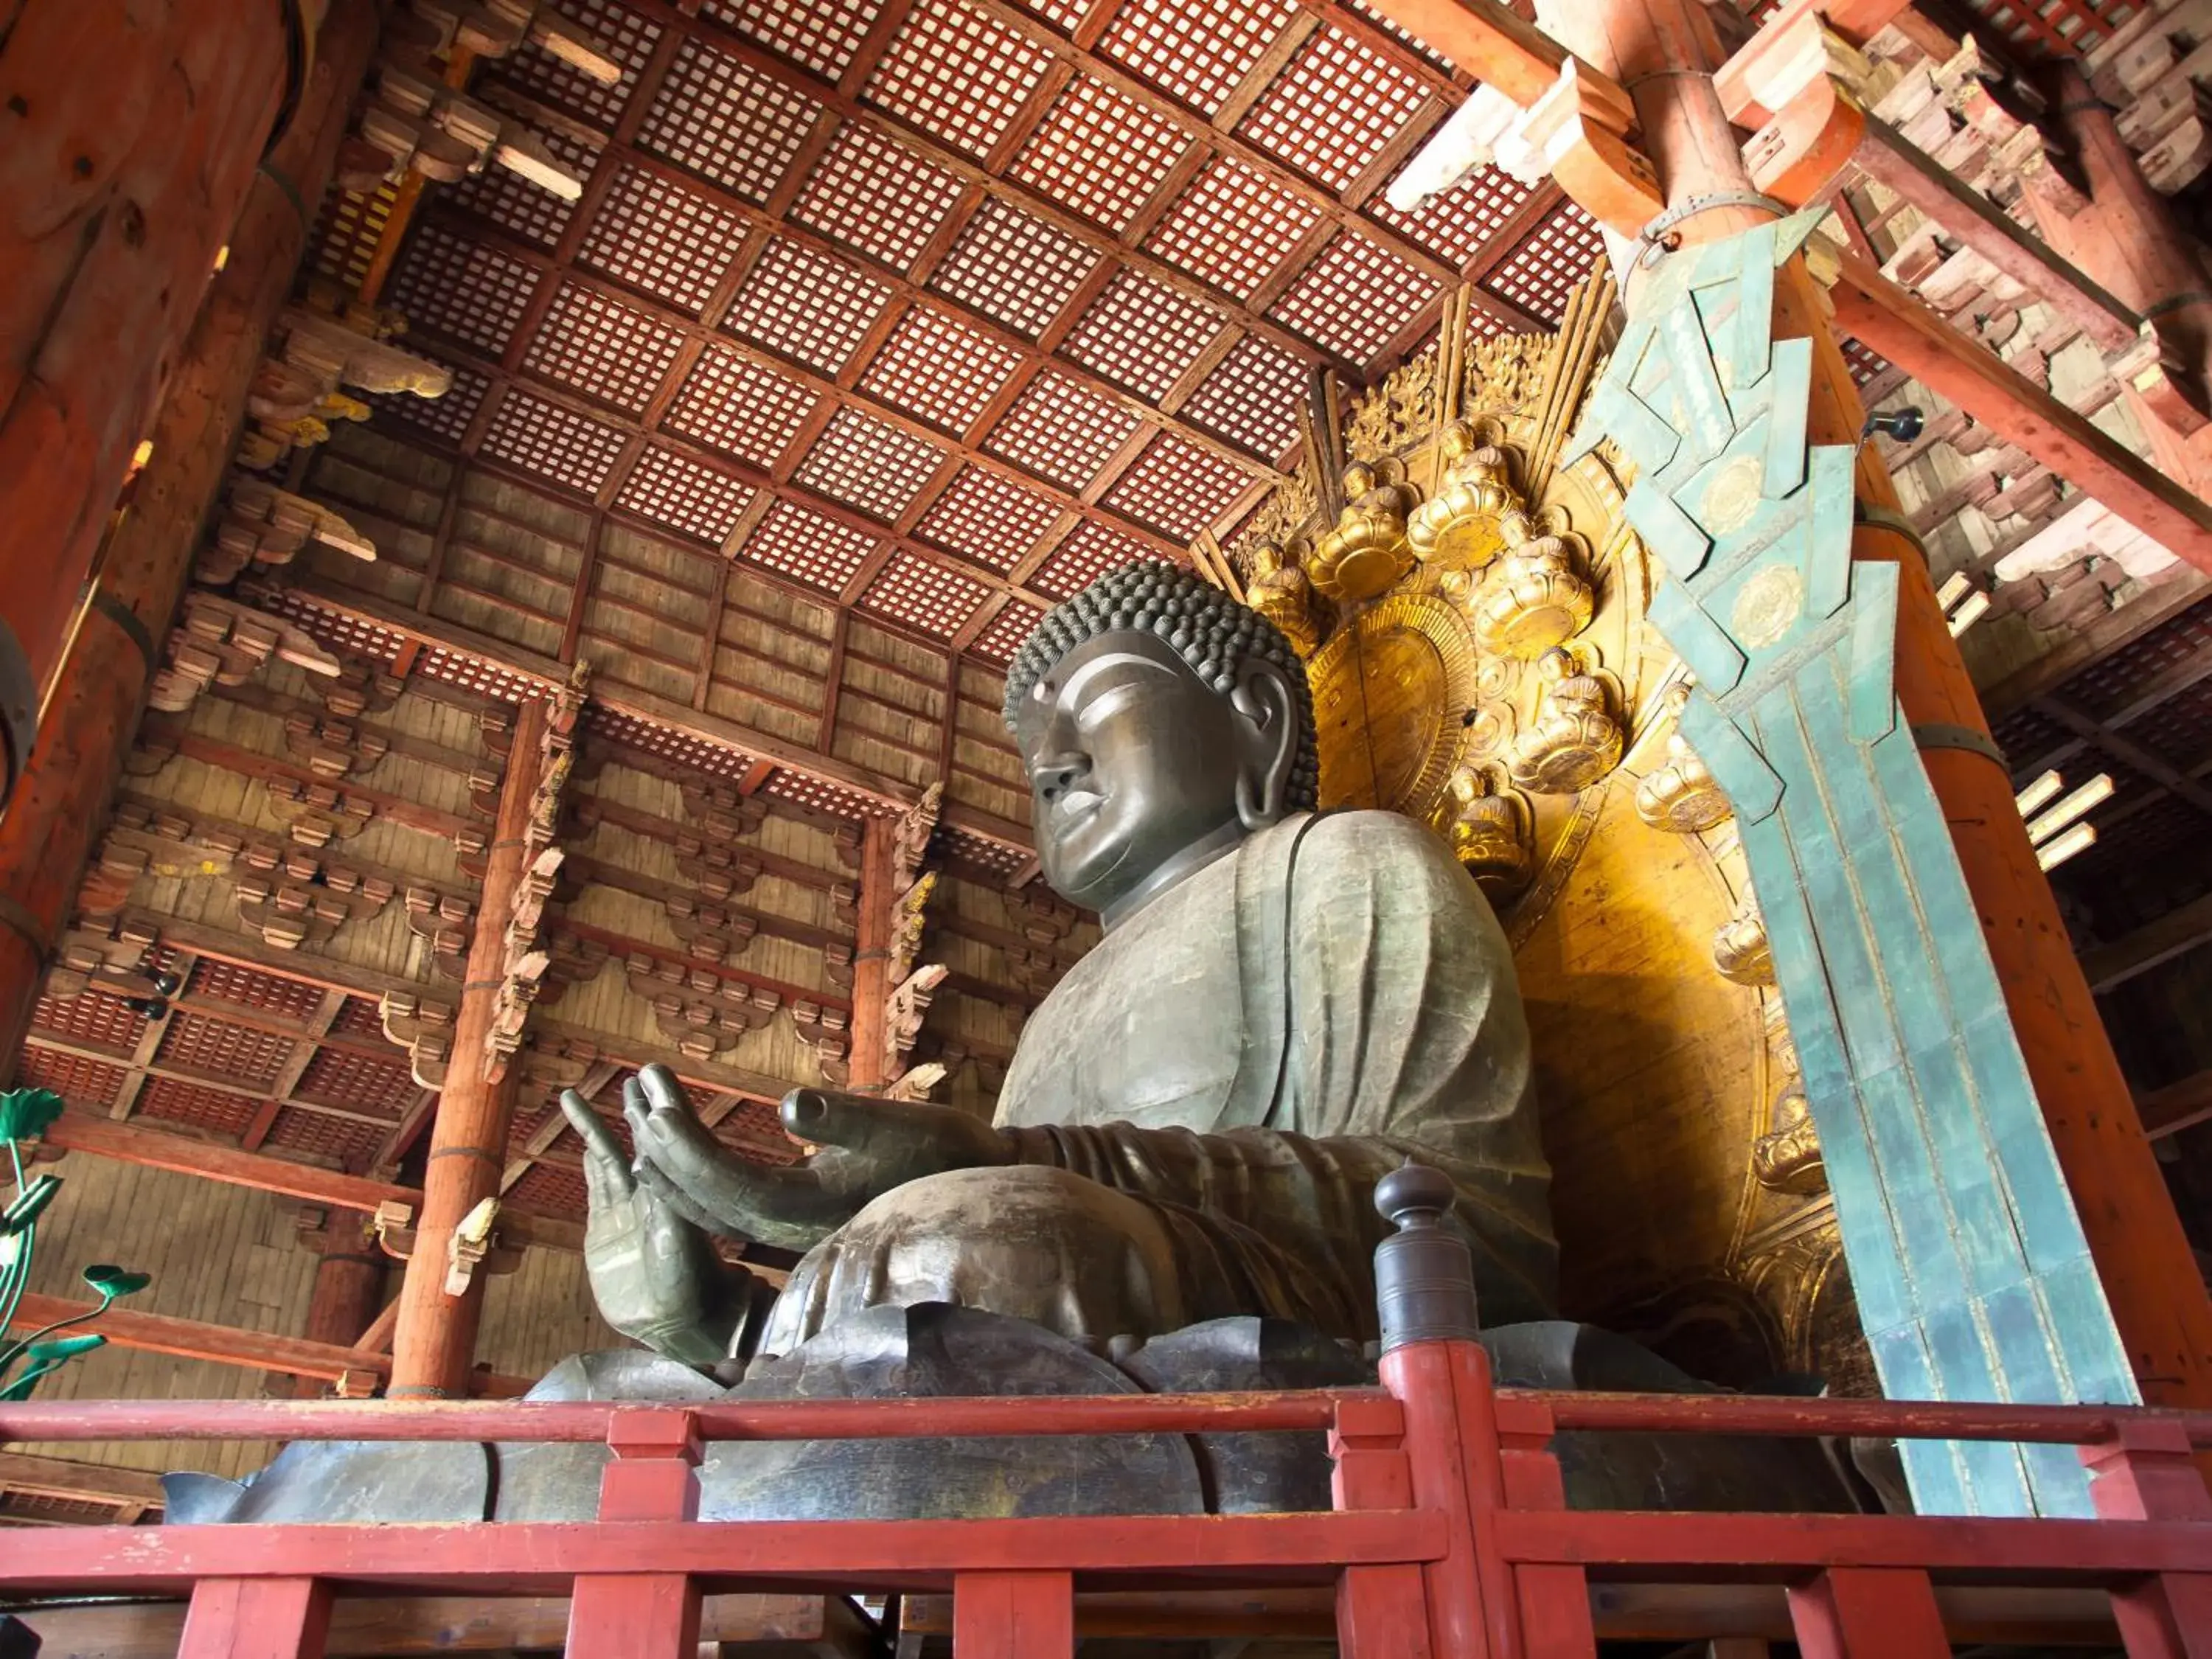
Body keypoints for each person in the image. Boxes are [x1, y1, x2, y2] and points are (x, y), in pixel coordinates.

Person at [566, 561, 1557, 1366]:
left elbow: (1470, 1220)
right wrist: (714, 1318)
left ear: (1258, 719)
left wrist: (1009, 1161)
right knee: (594, 1397)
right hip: (1082, 1284)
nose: (1053, 761)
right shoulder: (1056, 1013)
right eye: (1034, 741)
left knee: (977, 1238)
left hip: (1326, 1316)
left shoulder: (1352, 862)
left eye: (1100, 701)